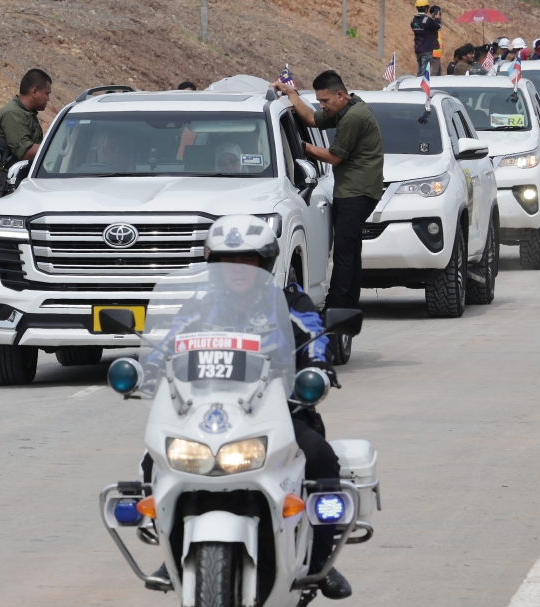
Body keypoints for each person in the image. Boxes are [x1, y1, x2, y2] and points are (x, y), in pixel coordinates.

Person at [144, 216, 352, 599]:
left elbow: (314, 335)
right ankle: (170, 549)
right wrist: (150, 367)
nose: (238, 269)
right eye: (228, 261)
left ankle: (320, 562)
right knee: (153, 457)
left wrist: (319, 368)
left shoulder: (288, 302)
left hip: (278, 411)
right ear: (215, 266)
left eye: (247, 260)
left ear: (264, 263)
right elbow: (169, 343)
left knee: (321, 458)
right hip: (206, 410)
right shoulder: (200, 305)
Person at [272, 71, 384, 311]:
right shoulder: (348, 108)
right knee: (351, 251)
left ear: (340, 94)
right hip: (355, 191)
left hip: (357, 193)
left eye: (325, 100)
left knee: (344, 252)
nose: (322, 105)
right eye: (319, 101)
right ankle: (349, 306)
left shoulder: (353, 117)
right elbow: (312, 119)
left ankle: (335, 306)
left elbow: (334, 157)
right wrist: (292, 94)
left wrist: (302, 146)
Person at [0, 68, 51, 202]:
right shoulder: (13, 113)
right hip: (7, 188)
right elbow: (26, 152)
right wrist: (54, 147)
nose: (48, 99)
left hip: (20, 185)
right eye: (46, 93)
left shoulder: (27, 114)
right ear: (34, 92)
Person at [411, 0, 442, 76]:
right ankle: (420, 84)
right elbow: (438, 27)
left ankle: (417, 83)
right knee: (424, 73)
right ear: (426, 8)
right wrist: (437, 19)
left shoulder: (413, 20)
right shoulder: (427, 20)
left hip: (418, 49)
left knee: (420, 70)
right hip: (426, 50)